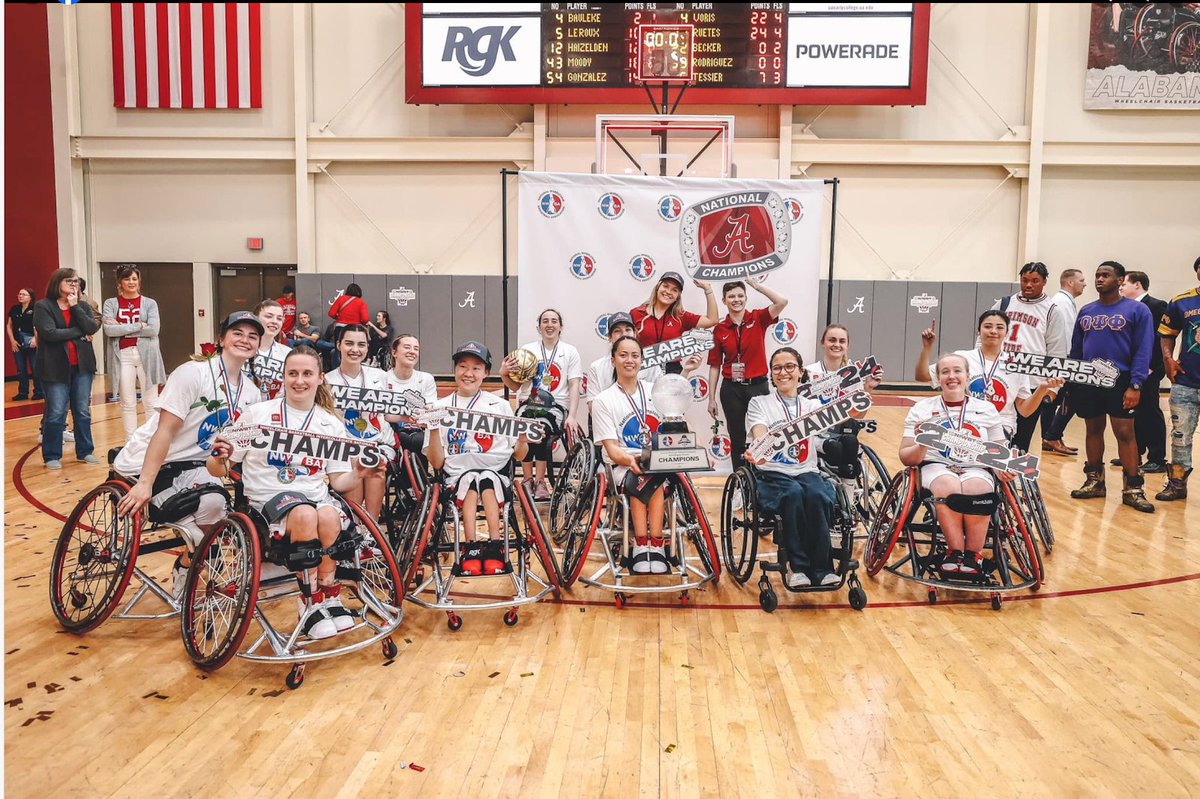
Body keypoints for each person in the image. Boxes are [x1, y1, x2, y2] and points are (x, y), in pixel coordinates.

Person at [208, 345, 381, 640]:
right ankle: (309, 601)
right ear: (284, 377)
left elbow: (338, 481)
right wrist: (218, 456)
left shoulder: (331, 424)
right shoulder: (258, 414)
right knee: (304, 511)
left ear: (320, 378)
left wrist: (358, 475)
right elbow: (219, 469)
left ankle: (329, 595)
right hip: (267, 502)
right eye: (293, 374)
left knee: (328, 514)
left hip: (314, 498)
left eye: (307, 374)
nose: (299, 380)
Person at [114, 311, 265, 599]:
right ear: (221, 339)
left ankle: (186, 565)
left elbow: (226, 459)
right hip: (152, 462)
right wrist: (145, 483)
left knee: (218, 517)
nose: (244, 340)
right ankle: (194, 559)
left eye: (252, 336)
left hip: (197, 468)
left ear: (258, 346)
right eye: (237, 333)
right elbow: (165, 432)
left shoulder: (251, 393)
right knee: (205, 523)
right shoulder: (192, 373)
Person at [745, 347, 866, 587]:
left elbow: (826, 434)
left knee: (819, 494)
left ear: (800, 372)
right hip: (774, 474)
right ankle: (798, 567)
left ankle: (822, 568)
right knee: (793, 495)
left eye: (790, 366)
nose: (783, 372)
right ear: (771, 374)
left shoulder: (811, 407)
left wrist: (833, 445)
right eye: (777, 368)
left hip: (806, 471)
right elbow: (759, 430)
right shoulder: (760, 403)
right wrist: (760, 445)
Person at [900, 353, 1011, 576]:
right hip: (936, 465)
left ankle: (973, 555)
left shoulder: (987, 409)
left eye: (957, 371)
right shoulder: (921, 409)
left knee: (979, 489)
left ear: (968, 376)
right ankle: (955, 552)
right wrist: (922, 443)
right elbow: (905, 456)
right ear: (938, 378)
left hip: (976, 466)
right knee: (947, 485)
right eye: (945, 372)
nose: (952, 376)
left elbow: (1000, 451)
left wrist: (1004, 468)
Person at [424, 342, 529, 567]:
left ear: (486, 373)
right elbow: (436, 461)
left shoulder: (499, 406)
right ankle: (470, 546)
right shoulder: (439, 407)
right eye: (463, 366)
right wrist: (433, 428)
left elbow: (520, 456)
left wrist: (522, 438)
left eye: (476, 368)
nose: (468, 373)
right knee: (471, 480)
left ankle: (495, 544)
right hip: (457, 474)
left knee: (486, 479)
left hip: (495, 472)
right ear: (455, 370)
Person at [1067, 261, 1156, 513]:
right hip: (1089, 379)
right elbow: (1076, 349)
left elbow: (1144, 349)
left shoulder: (1137, 311)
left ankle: (1133, 488)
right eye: (1097, 275)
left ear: (1119, 281)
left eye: (1106, 275)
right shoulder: (1086, 311)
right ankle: (1095, 480)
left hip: (1121, 380)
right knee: (1092, 429)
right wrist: (1073, 378)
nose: (1099, 279)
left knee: (1125, 433)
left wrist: (1136, 384)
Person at [916, 312, 1064, 443]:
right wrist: (926, 348)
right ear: (978, 331)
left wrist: (1042, 388)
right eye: (988, 326)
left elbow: (1025, 410)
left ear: (1007, 332)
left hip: (999, 427)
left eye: (1000, 327)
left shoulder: (1015, 365)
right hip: (962, 422)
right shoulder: (962, 358)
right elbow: (922, 376)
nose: (993, 331)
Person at [591, 335, 669, 574]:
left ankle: (655, 546)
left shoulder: (657, 391)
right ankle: (641, 545)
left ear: (642, 361)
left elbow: (672, 431)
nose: (629, 360)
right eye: (623, 355)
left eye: (635, 355)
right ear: (613, 360)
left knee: (653, 476)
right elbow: (612, 449)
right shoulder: (603, 400)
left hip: (657, 461)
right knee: (642, 480)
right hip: (622, 464)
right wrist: (630, 460)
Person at [499, 309, 583, 500]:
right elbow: (515, 385)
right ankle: (527, 480)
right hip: (529, 402)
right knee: (523, 427)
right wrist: (504, 373)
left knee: (540, 428)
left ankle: (540, 481)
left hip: (555, 406)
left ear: (561, 327)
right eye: (545, 321)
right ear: (539, 327)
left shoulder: (570, 351)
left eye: (554, 321)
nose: (550, 324)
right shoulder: (527, 350)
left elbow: (574, 385)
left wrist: (572, 416)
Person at [989, 262, 1072, 452]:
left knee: (1022, 438)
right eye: (1025, 280)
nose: (1028, 285)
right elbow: (983, 339)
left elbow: (1057, 352)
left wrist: (1054, 389)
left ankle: (1016, 478)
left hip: (1033, 383)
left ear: (1044, 282)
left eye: (1035, 281)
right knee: (995, 434)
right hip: (1001, 379)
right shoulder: (1004, 303)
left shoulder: (1052, 310)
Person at [706, 277, 789, 467]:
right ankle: (740, 481)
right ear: (724, 300)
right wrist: (711, 398)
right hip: (731, 389)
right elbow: (715, 365)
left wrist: (756, 285)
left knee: (763, 435)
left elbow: (782, 302)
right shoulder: (720, 329)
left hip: (758, 386)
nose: (736, 300)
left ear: (746, 298)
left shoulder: (758, 318)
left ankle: (762, 476)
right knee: (737, 438)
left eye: (740, 296)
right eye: (731, 296)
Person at [324, 325, 395, 519]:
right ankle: (356, 531)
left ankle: (371, 534)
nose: (355, 349)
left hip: (378, 442)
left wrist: (412, 415)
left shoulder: (381, 376)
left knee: (374, 462)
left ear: (367, 348)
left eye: (361, 344)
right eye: (349, 343)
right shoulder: (327, 382)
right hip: (345, 446)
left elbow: (391, 413)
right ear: (339, 345)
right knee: (356, 463)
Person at [34, 268, 99, 469]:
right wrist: (78, 332)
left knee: (82, 410)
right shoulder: (43, 306)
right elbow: (50, 334)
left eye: (76, 282)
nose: (74, 285)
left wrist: (75, 308)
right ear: (57, 283)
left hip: (82, 366)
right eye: (69, 281)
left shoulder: (81, 306)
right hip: (54, 367)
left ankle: (85, 451)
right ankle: (52, 455)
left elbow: (91, 328)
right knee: (55, 412)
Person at [806, 323, 884, 478]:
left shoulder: (852, 375)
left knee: (850, 442)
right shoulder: (809, 372)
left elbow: (857, 417)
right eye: (832, 340)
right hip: (814, 433)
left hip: (841, 432)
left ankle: (848, 491)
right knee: (836, 448)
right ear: (823, 343)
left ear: (847, 346)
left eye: (842, 341)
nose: (837, 344)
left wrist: (867, 388)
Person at [102, 264, 166, 439]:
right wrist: (138, 325)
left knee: (151, 401)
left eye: (134, 279)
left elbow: (153, 330)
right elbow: (109, 330)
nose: (131, 282)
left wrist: (121, 327)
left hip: (147, 355)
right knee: (128, 402)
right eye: (127, 278)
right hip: (122, 355)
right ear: (120, 282)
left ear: (139, 282)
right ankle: (131, 441)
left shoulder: (150, 303)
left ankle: (151, 440)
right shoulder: (110, 303)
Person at [1155, 256, 1200, 502]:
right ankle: (1177, 484)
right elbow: (1167, 334)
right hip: (1186, 383)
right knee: (1180, 435)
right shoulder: (1182, 302)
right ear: (1197, 272)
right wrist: (1168, 360)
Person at [1115, 271, 1168, 473]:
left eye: (1124, 283)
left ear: (1138, 284)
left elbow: (1157, 339)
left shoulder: (1156, 305)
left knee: (1150, 412)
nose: (1120, 287)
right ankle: (1134, 453)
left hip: (1149, 369)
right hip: (1130, 368)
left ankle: (1157, 457)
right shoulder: (1124, 307)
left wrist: (1153, 366)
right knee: (1131, 412)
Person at [629, 271, 720, 374]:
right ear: (658, 287)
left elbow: (712, 320)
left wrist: (708, 289)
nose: (668, 292)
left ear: (678, 296)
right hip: (643, 368)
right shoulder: (636, 313)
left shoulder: (680, 316)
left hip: (672, 371)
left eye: (674, 290)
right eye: (665, 286)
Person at [1042, 268, 1087, 456]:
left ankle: (1051, 437)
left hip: (1065, 360)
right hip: (1064, 360)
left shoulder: (1066, 302)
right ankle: (1051, 436)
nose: (1085, 283)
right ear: (1070, 282)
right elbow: (1065, 336)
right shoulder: (1060, 303)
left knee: (1056, 401)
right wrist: (1070, 365)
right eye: (1081, 280)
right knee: (1066, 400)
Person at [383, 333, 438, 454]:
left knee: (419, 440)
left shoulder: (426, 378)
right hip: (391, 431)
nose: (412, 351)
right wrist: (404, 417)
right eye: (407, 347)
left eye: (416, 348)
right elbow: (381, 414)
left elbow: (431, 411)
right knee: (401, 438)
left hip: (418, 430)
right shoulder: (382, 378)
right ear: (394, 353)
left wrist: (421, 415)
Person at [7, 287, 41, 400]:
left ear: (30, 297)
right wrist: (12, 341)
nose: (20, 296)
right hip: (18, 342)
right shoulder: (15, 309)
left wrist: (36, 339)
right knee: (21, 369)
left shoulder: (36, 308)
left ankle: (39, 391)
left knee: (35, 368)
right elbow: (9, 326)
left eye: (24, 294)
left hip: (32, 342)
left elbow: (40, 325)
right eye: (19, 294)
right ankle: (22, 393)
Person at [254, 299, 292, 399]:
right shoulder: (242, 351)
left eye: (279, 318)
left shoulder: (288, 354)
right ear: (256, 318)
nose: (275, 322)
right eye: (269, 316)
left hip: (276, 410)